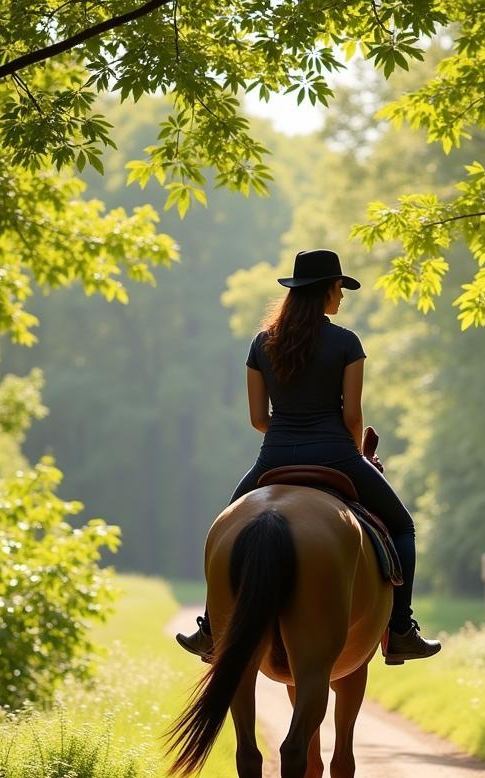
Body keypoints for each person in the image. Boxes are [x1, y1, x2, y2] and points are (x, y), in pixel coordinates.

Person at [177, 248, 441, 664]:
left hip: (273, 456)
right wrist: (352, 451)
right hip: (338, 455)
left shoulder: (262, 343)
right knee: (403, 526)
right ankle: (400, 628)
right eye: (340, 287)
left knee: (225, 527)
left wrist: (288, 434)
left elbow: (257, 418)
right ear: (326, 290)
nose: (342, 296)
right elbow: (353, 416)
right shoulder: (346, 342)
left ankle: (211, 627)